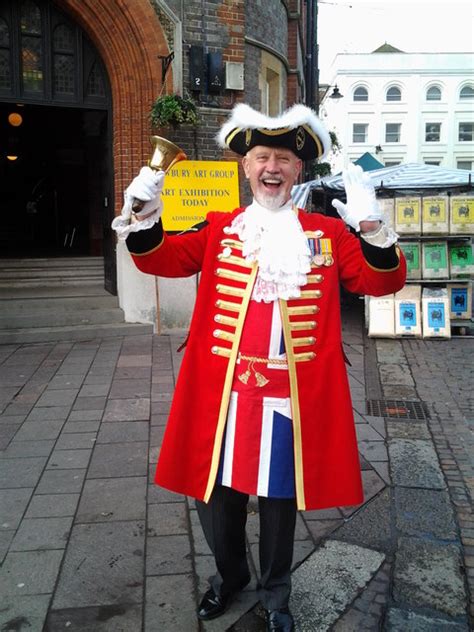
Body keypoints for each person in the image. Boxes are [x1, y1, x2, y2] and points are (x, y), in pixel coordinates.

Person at [112, 103, 406, 632]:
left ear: (299, 170)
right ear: (246, 168)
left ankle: (277, 594)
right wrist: (141, 217)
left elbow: (381, 283)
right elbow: (160, 259)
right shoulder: (222, 227)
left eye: (285, 159)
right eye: (262, 157)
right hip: (223, 394)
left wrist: (370, 227)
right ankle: (229, 579)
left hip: (289, 398)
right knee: (216, 497)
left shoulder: (327, 235)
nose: (272, 167)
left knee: (277, 501)